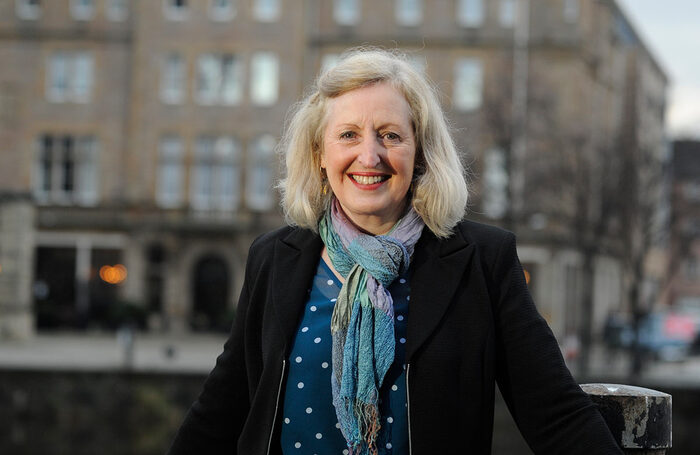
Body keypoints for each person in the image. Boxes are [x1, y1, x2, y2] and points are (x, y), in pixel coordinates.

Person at [167, 48, 622, 455]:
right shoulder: (273, 257)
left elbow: (554, 410)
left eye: (390, 135)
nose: (370, 156)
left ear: (420, 153)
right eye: (348, 135)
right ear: (319, 154)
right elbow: (221, 411)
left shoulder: (482, 260)